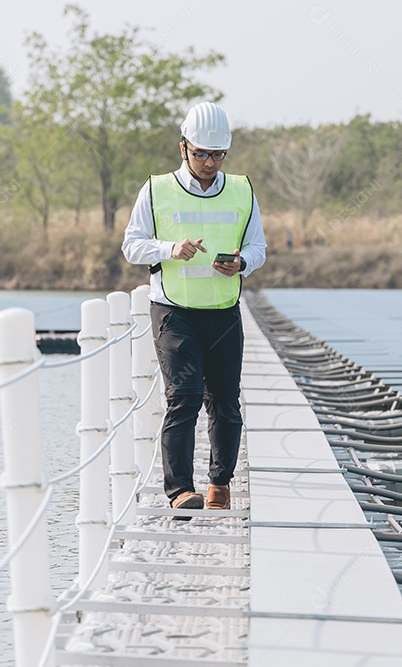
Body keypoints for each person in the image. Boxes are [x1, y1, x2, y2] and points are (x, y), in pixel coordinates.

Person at [121, 102, 267, 515]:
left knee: (224, 401)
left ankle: (220, 483)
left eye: (217, 154)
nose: (209, 162)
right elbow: (131, 245)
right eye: (202, 153)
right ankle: (180, 491)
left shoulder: (242, 189)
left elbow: (259, 247)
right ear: (183, 147)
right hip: (173, 309)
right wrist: (169, 249)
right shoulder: (156, 189)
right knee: (183, 396)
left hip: (223, 309)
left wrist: (241, 263)